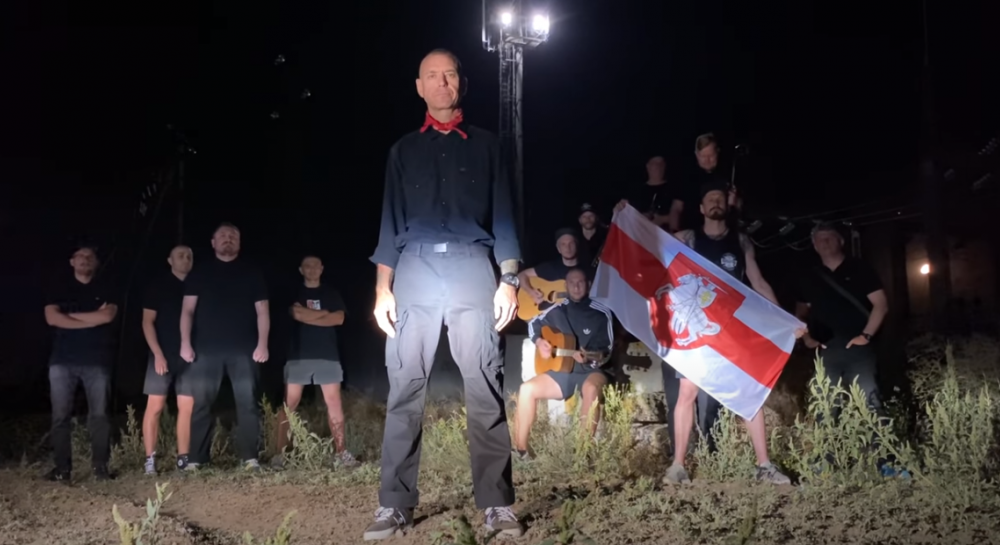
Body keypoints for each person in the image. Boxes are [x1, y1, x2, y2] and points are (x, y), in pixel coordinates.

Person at [366, 49, 523, 540]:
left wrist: (509, 278)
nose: (441, 83)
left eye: (449, 74)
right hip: (413, 268)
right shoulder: (401, 151)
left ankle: (497, 505)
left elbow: (505, 214)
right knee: (405, 386)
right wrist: (382, 289)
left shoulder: (490, 146)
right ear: (419, 86)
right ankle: (394, 504)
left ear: (461, 84)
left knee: (484, 384)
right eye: (432, 76)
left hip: (473, 266)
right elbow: (390, 222)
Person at [617, 181, 798, 485]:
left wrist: (782, 318)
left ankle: (764, 465)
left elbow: (758, 282)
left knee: (750, 394)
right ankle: (678, 466)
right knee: (687, 394)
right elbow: (649, 242)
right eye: (709, 199)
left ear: (726, 206)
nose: (715, 202)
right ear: (701, 208)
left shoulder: (740, 242)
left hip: (732, 331)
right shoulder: (687, 239)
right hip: (696, 329)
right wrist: (627, 215)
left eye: (720, 198)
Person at [179, 223, 270, 471]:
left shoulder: (252, 272)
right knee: (201, 404)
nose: (227, 239)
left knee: (248, 403)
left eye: (233, 236)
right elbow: (187, 310)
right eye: (222, 236)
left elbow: (262, 311)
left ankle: (250, 458)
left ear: (239, 243)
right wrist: (185, 343)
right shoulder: (199, 272)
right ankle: (196, 460)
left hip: (244, 350)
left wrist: (263, 344)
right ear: (213, 242)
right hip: (205, 351)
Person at [515, 268, 614, 459]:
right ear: (565, 286)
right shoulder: (557, 309)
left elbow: (607, 351)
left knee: (591, 388)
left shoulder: (602, 313)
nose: (576, 287)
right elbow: (532, 324)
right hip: (563, 372)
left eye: (581, 282)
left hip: (591, 371)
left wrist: (591, 357)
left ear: (589, 284)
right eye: (572, 283)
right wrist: (539, 341)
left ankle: (582, 454)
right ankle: (521, 451)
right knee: (527, 389)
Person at [272, 255, 358, 469]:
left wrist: (309, 315)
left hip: (327, 356)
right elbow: (296, 314)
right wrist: (322, 315)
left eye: (315, 265)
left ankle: (341, 453)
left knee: (334, 404)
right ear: (301, 269)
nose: (311, 269)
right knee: (289, 404)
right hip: (298, 356)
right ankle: (280, 454)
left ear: (322, 268)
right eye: (307, 266)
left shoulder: (330, 292)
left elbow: (337, 318)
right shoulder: (294, 291)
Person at [42, 245, 119, 482]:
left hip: (97, 362)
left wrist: (70, 318)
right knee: (60, 417)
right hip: (62, 363)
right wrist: (91, 319)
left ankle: (100, 469)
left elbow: (107, 316)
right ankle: (62, 470)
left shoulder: (106, 288)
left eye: (90, 257)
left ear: (95, 263)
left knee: (99, 416)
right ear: (72, 261)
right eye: (81, 256)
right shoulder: (59, 288)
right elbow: (51, 318)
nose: (85, 259)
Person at [795, 223, 889, 414]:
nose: (825, 242)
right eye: (820, 239)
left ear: (841, 241)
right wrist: (807, 339)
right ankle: (830, 444)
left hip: (859, 350)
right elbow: (801, 313)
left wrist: (866, 336)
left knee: (870, 403)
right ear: (814, 245)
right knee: (826, 407)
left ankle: (878, 443)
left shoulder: (860, 268)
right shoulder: (809, 276)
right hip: (826, 350)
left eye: (829, 236)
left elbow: (881, 305)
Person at [140, 244, 195, 474]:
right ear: (170, 260)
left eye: (189, 256)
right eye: (180, 255)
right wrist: (158, 354)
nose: (186, 259)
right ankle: (150, 460)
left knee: (187, 407)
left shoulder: (197, 285)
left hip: (190, 357)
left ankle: (183, 460)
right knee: (155, 406)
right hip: (162, 355)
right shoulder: (158, 286)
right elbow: (147, 322)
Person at [518, 228, 589, 304]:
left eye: (571, 243)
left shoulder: (586, 271)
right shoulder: (549, 267)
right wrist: (531, 291)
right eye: (563, 244)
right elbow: (521, 275)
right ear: (558, 248)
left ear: (577, 245)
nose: (568, 248)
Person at [622, 155, 684, 233]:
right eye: (655, 163)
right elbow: (625, 213)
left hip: (664, 235)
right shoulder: (635, 191)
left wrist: (662, 219)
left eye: (662, 163)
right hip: (638, 235)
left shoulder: (674, 189)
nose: (659, 166)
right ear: (648, 166)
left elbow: (676, 210)